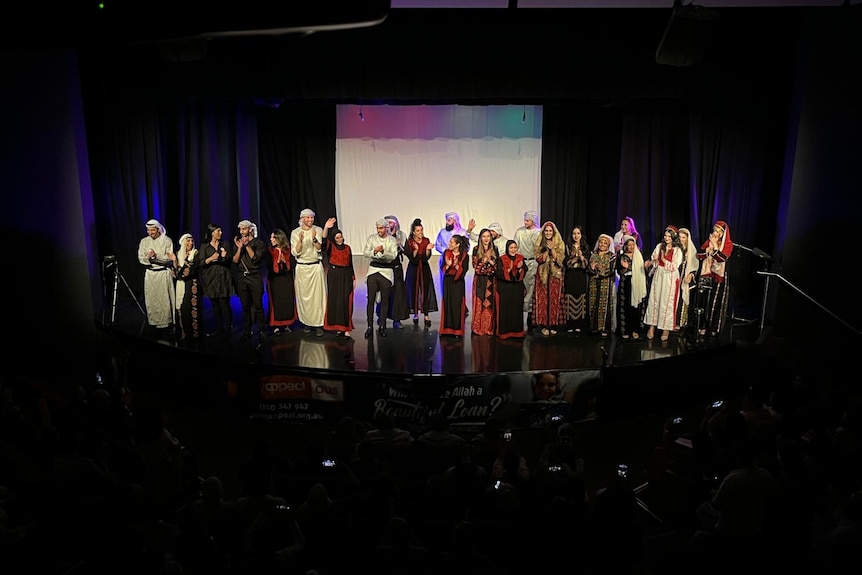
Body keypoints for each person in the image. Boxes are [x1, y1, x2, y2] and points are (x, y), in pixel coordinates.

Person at [290, 208, 327, 337]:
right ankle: (306, 322)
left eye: (312, 217)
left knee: (317, 297)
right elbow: (296, 252)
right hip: (302, 268)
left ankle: (318, 324)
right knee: (304, 297)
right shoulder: (295, 232)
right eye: (308, 218)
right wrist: (300, 240)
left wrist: (314, 239)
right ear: (302, 219)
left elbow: (319, 248)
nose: (310, 220)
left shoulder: (318, 230)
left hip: (315, 266)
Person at [695, 220, 734, 339]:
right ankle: (703, 325)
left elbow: (721, 258)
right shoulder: (709, 242)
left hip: (719, 277)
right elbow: (699, 255)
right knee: (704, 301)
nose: (715, 233)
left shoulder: (728, 244)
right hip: (707, 275)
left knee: (715, 302)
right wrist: (708, 249)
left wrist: (715, 247)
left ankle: (713, 328)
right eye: (714, 230)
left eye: (718, 231)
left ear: (723, 234)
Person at [138, 218, 177, 332]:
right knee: (152, 299)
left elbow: (168, 259)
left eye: (152, 231)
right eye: (148, 231)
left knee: (164, 299)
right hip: (150, 274)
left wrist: (156, 256)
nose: (150, 233)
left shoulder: (167, 241)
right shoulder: (144, 241)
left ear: (158, 230)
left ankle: (166, 323)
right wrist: (150, 258)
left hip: (163, 274)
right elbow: (141, 258)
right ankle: (154, 321)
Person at [644, 225, 683, 342]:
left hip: (670, 277)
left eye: (669, 236)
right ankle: (652, 326)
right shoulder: (659, 246)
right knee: (655, 300)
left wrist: (663, 259)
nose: (666, 238)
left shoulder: (677, 250)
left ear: (673, 238)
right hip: (659, 275)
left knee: (667, 302)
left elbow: (675, 266)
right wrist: (654, 261)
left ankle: (666, 329)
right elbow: (655, 261)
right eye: (665, 236)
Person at [362, 218, 399, 339]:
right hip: (373, 270)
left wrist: (383, 252)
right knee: (370, 299)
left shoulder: (392, 240)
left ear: (386, 228)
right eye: (377, 228)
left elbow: (393, 256)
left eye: (381, 228)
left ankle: (382, 326)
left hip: (386, 271)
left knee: (385, 300)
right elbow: (366, 252)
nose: (379, 230)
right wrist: (374, 251)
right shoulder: (372, 238)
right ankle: (369, 327)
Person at [232, 219, 267, 342]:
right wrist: (239, 248)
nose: (242, 232)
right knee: (245, 306)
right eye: (240, 229)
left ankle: (262, 330)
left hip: (254, 276)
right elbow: (235, 261)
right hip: (242, 277)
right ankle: (247, 330)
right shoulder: (238, 244)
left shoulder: (258, 243)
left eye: (244, 229)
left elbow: (255, 258)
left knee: (258, 305)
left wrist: (247, 245)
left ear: (250, 230)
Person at [198, 223, 235, 338]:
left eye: (221, 230)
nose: (221, 233)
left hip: (223, 278)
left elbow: (229, 261)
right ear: (212, 232)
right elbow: (201, 263)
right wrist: (211, 258)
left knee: (225, 304)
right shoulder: (205, 246)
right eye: (218, 231)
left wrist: (224, 257)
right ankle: (219, 328)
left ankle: (228, 329)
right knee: (215, 305)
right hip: (211, 279)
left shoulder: (225, 244)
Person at [321, 221, 355, 338]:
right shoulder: (331, 247)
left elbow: (350, 264)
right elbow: (324, 241)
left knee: (345, 300)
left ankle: (346, 328)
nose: (340, 239)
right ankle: (337, 327)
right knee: (335, 300)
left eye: (341, 236)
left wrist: (353, 278)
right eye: (337, 237)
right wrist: (326, 227)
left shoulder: (347, 248)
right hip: (334, 275)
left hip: (346, 275)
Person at [404, 218, 438, 328]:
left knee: (425, 290)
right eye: (418, 231)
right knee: (413, 290)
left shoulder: (426, 240)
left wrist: (428, 250)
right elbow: (412, 259)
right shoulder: (409, 242)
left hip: (424, 268)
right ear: (414, 232)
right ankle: (415, 314)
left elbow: (426, 258)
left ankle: (426, 314)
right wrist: (415, 250)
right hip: (413, 269)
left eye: (421, 230)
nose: (420, 233)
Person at [533, 221, 565, 337]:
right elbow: (539, 259)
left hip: (555, 274)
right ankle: (543, 325)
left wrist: (552, 249)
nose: (548, 233)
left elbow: (559, 260)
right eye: (546, 230)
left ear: (554, 232)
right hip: (542, 274)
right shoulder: (539, 242)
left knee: (554, 298)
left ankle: (553, 325)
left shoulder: (560, 243)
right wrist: (547, 250)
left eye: (550, 231)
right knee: (543, 299)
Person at [379, 215, 410, 329]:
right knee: (384, 292)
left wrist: (400, 245)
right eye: (387, 223)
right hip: (385, 267)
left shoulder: (401, 235)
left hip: (396, 267)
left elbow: (407, 252)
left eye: (391, 223)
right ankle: (381, 317)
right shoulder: (381, 236)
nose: (389, 225)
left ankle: (396, 319)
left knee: (397, 293)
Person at [266, 228, 297, 336]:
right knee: (276, 301)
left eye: (273, 237)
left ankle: (287, 324)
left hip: (286, 279)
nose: (271, 239)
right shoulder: (269, 250)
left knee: (287, 300)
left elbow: (293, 263)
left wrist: (285, 262)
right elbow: (267, 265)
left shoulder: (288, 250)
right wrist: (276, 262)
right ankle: (276, 326)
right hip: (275, 280)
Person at [615, 235, 647, 339]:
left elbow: (643, 269)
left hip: (638, 283)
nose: (632, 247)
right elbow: (619, 271)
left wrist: (647, 265)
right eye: (629, 245)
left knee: (636, 307)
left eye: (633, 244)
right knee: (625, 306)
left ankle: (635, 329)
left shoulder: (639, 255)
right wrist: (624, 268)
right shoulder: (621, 257)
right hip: (626, 284)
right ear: (625, 246)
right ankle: (625, 330)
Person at [439, 234, 469, 338]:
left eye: (452, 242)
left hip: (458, 282)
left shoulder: (464, 255)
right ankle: (445, 330)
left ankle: (457, 331)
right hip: (448, 281)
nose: (449, 244)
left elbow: (464, 270)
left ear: (458, 244)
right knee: (447, 303)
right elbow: (442, 267)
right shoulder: (446, 253)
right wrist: (447, 265)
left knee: (457, 305)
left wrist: (456, 266)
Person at [495, 239, 526, 339]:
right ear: (507, 248)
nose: (513, 250)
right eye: (511, 248)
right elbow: (498, 273)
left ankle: (517, 332)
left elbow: (524, 271)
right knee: (506, 311)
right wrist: (508, 270)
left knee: (516, 310)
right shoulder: (501, 259)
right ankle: (505, 333)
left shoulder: (520, 258)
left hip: (516, 289)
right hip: (505, 289)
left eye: (515, 248)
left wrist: (520, 268)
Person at [514, 210, 541, 324]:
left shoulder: (539, 232)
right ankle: (519, 317)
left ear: (533, 221)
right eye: (524, 220)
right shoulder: (520, 232)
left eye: (527, 220)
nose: (525, 222)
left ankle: (531, 317)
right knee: (521, 288)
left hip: (534, 262)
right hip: (522, 262)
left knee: (532, 288)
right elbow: (516, 247)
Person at [563, 225, 591, 334]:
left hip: (581, 275)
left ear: (581, 235)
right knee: (570, 297)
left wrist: (582, 258)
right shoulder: (567, 246)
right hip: (570, 275)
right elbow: (565, 263)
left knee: (580, 298)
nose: (576, 236)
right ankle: (570, 324)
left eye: (578, 233)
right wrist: (573, 259)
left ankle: (579, 324)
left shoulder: (585, 247)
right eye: (574, 233)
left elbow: (587, 265)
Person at [588, 233, 616, 338]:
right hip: (594, 282)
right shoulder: (593, 254)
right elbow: (588, 270)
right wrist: (592, 267)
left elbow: (612, 271)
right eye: (601, 242)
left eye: (605, 243)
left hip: (605, 282)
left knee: (604, 304)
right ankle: (594, 327)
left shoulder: (611, 256)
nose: (602, 244)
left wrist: (601, 271)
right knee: (593, 303)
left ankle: (604, 328)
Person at [471, 228, 498, 336]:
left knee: (489, 303)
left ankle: (488, 328)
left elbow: (496, 267)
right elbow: (476, 268)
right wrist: (484, 262)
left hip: (491, 281)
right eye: (484, 236)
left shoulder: (494, 249)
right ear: (480, 238)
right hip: (480, 280)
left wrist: (490, 260)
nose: (486, 238)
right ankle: (478, 327)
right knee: (479, 302)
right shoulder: (476, 249)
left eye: (488, 236)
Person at [174, 232, 201, 340]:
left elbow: (188, 272)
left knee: (191, 308)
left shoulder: (195, 254)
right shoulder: (178, 254)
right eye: (188, 241)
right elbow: (175, 272)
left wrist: (185, 262)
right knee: (181, 308)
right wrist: (175, 261)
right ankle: (183, 333)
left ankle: (194, 334)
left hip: (191, 284)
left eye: (192, 241)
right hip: (180, 285)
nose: (190, 243)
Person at [434, 211, 471, 285]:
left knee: (458, 282)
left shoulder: (462, 232)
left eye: (449, 220)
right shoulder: (442, 232)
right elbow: (437, 245)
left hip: (458, 260)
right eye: (446, 220)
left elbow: (467, 247)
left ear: (455, 221)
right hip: (445, 260)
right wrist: (446, 251)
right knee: (444, 282)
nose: (447, 222)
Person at [676, 227, 700, 333]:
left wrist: (690, 274)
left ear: (687, 238)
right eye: (680, 237)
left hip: (684, 279)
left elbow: (694, 266)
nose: (681, 239)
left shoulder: (691, 250)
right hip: (674, 277)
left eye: (683, 237)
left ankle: (680, 322)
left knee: (682, 299)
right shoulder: (676, 248)